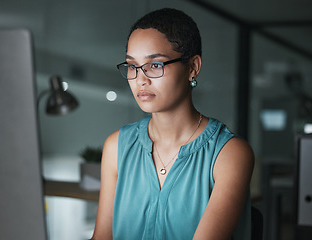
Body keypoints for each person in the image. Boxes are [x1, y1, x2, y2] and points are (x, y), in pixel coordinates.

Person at [91, 8, 254, 240]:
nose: (140, 79)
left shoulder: (230, 153)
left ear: (192, 68)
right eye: (132, 66)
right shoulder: (117, 145)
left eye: (155, 65)